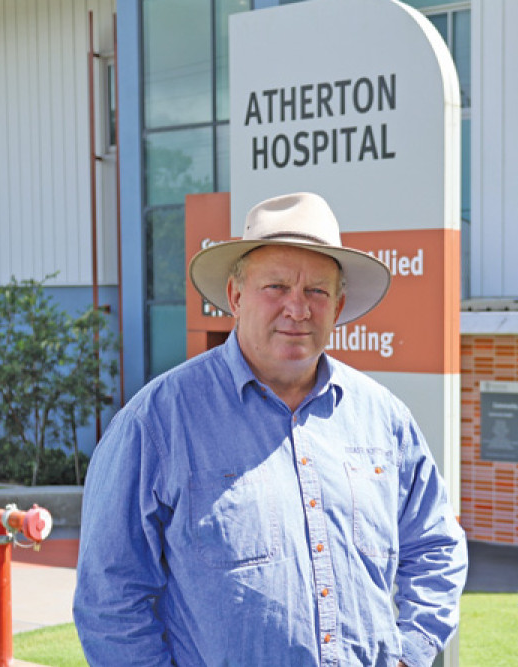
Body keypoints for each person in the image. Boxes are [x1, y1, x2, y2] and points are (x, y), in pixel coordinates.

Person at [73, 192, 467, 667]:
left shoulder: (384, 420)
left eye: (317, 291)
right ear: (236, 297)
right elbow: (109, 598)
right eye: (276, 287)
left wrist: (410, 653)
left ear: (338, 307)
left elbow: (437, 546)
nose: (297, 309)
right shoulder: (156, 422)